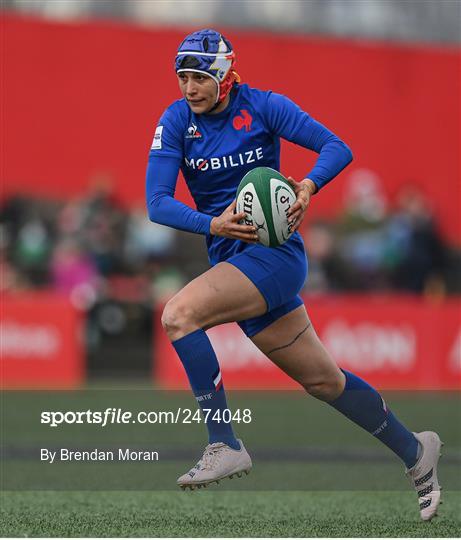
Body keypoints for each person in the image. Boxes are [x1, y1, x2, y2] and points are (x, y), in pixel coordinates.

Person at [146, 29, 442, 520]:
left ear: (223, 75)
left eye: (200, 76)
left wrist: (307, 185)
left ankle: (224, 443)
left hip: (274, 256)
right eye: (183, 77)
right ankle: (417, 453)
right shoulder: (176, 121)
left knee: (178, 315)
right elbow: (157, 202)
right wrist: (212, 223)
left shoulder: (264, 106)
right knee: (325, 381)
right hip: (232, 260)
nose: (190, 87)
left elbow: (336, 147)